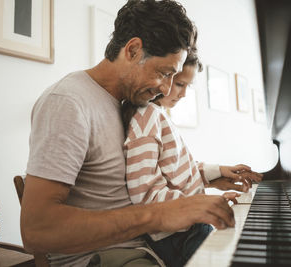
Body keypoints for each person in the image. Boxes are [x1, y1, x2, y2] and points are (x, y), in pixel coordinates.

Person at [20, 1, 259, 266]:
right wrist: (162, 214)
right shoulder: (67, 102)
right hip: (111, 256)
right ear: (133, 50)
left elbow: (137, 174)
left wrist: (210, 177)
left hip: (151, 245)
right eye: (163, 73)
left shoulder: (129, 105)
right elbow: (37, 231)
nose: (167, 90)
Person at [122, 50, 262, 266]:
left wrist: (218, 171)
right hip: (177, 235)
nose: (184, 93)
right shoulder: (146, 117)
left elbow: (177, 169)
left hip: (188, 226)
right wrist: (203, 204)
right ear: (162, 77)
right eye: (179, 84)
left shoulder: (158, 115)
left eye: (188, 86)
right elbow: (145, 196)